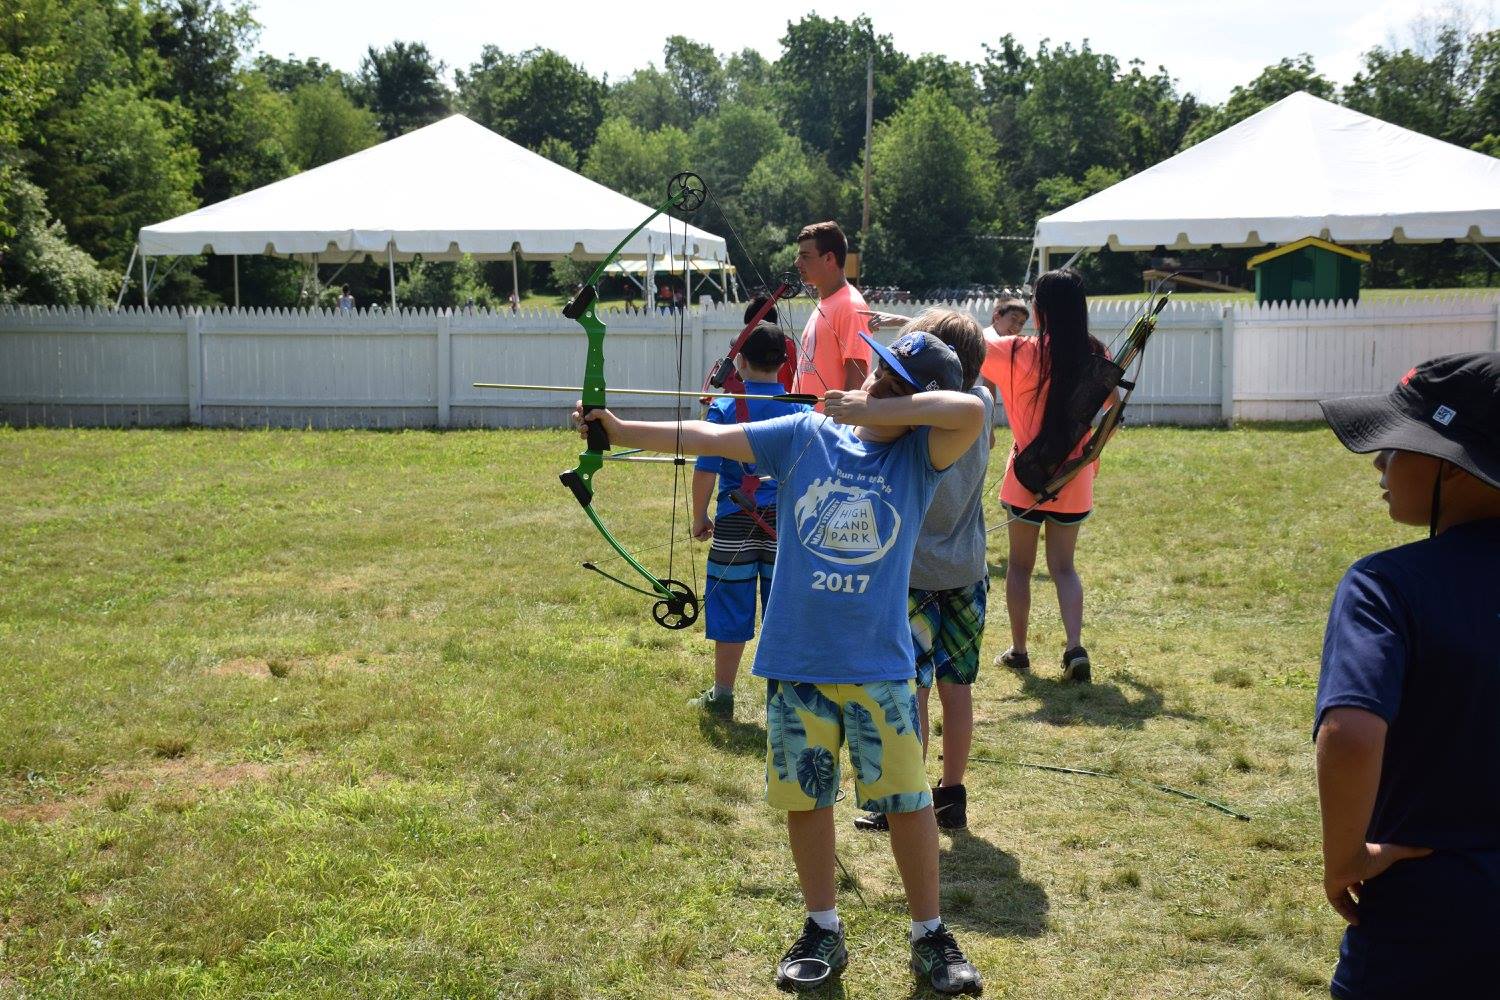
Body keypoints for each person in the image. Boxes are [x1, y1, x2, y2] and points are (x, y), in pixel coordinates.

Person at [570, 330, 986, 996]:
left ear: (913, 403)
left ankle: (929, 934)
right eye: (879, 373)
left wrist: (872, 410)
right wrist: (618, 430)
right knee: (807, 797)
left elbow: (971, 411)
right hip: (798, 658)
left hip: (879, 663)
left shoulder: (919, 455)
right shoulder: (804, 434)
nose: (877, 383)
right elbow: (707, 437)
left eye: (895, 384)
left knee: (908, 803)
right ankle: (822, 926)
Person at [1313, 352, 1500, 1000]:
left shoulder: (1385, 586)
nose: (1379, 464)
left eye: (1396, 446)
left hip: (1427, 917)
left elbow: (1351, 735)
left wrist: (1345, 859)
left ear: (1452, 465)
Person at [853, 309, 993, 834]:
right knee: (958, 687)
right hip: (967, 570)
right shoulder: (983, 403)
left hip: (912, 574)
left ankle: (905, 796)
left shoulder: (912, 421)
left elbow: (872, 421)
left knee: (913, 687)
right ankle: (950, 795)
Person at [981, 268, 1110, 684]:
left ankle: (1019, 652)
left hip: (1026, 478)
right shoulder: (1097, 354)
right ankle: (1074, 647)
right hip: (1074, 480)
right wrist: (1088, 454)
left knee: (1020, 567)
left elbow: (964, 338)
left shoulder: (1016, 351)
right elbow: (1114, 412)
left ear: (1039, 310)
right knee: (1064, 568)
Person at [688, 324, 809, 717]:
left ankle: (723, 692)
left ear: (739, 361)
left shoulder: (724, 408)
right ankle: (784, 701)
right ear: (784, 362)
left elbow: (706, 469)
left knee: (730, 603)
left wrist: (699, 516)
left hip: (734, 520)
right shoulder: (800, 410)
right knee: (782, 609)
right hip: (784, 524)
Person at [791, 222, 872, 401]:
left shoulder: (850, 306)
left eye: (805, 256)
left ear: (829, 258)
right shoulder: (827, 302)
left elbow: (857, 379)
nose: (797, 263)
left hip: (826, 420)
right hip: (808, 418)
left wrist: (837, 419)